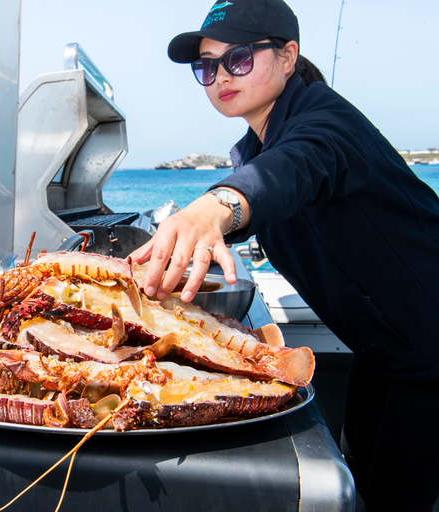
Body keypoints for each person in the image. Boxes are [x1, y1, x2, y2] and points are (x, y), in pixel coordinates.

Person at [128, 1, 439, 510]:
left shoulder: (326, 123)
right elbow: (269, 188)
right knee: (355, 474)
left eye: (239, 59)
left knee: (394, 498)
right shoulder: (253, 149)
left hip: (428, 342)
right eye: (206, 66)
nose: (219, 77)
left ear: (288, 56)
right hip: (383, 341)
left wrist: (212, 210)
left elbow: (286, 173)